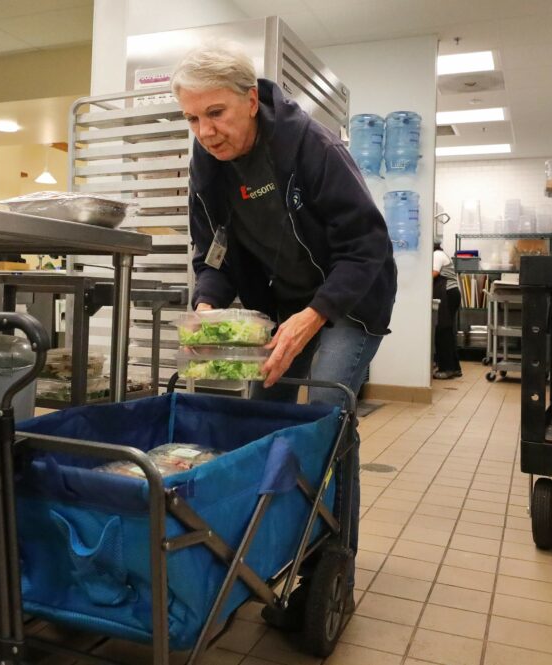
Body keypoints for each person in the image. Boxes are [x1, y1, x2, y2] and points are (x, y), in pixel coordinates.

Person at [171, 43, 397, 624]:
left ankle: (333, 552)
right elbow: (214, 256)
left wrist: (314, 315)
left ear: (251, 100)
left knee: (325, 406)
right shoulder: (208, 167)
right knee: (260, 405)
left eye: (216, 113)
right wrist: (206, 306)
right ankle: (265, 536)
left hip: (348, 300)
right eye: (193, 118)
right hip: (280, 302)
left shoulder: (310, 146)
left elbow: (367, 244)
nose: (206, 132)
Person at [432, 242, 462, 379]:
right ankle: (454, 368)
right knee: (447, 331)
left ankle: (447, 369)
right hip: (450, 293)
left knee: (443, 330)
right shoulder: (440, 254)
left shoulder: (436, 254)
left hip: (447, 293)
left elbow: (434, 273)